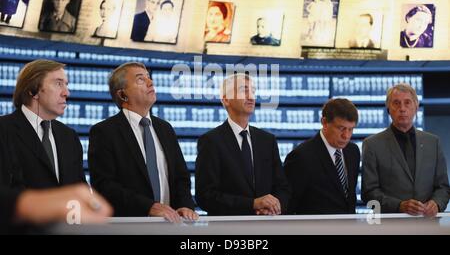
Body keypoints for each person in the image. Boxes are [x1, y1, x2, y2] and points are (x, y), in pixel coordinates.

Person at [88, 62, 198, 222]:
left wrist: (185, 205)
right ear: (122, 94)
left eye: (149, 77)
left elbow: (181, 177)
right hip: (129, 227)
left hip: (171, 225)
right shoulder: (105, 131)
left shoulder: (165, 128)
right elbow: (104, 185)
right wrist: (148, 206)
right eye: (140, 79)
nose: (150, 82)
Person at [195, 73, 291, 215]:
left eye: (253, 91)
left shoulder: (267, 140)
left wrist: (274, 207)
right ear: (226, 100)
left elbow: (283, 188)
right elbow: (205, 196)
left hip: (267, 226)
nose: (251, 96)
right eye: (243, 90)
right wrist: (252, 204)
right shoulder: (211, 141)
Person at [362, 83, 449, 216]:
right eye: (396, 103)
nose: (402, 108)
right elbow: (369, 193)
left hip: (428, 225)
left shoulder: (433, 142)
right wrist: (399, 206)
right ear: (388, 108)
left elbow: (443, 187)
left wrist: (436, 203)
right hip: (390, 227)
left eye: (407, 102)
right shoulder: (372, 145)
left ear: (416, 107)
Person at [0, 60, 86, 189]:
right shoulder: (3, 130)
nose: (66, 93)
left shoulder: (69, 136)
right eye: (58, 83)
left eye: (66, 85)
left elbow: (80, 188)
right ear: (33, 90)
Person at [284, 98, 360, 214]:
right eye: (341, 128)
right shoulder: (301, 157)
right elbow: (288, 205)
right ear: (324, 122)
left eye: (351, 129)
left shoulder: (353, 151)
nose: (346, 136)